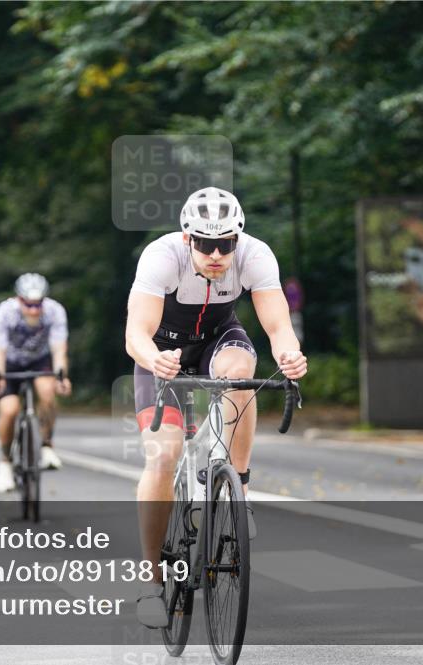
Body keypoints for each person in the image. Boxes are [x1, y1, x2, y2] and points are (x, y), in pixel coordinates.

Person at [124, 186, 308, 627]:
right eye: (205, 244)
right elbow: (136, 334)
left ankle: (238, 486)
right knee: (163, 457)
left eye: (225, 244)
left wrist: (290, 355)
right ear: (187, 238)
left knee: (242, 372)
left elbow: (278, 323)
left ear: (237, 239)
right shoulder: (161, 256)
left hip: (218, 341)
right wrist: (155, 360)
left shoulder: (255, 255)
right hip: (163, 353)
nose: (215, 254)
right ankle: (150, 583)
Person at [0, 273, 71, 493]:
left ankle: (46, 444)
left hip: (39, 360)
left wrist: (62, 376)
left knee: (47, 391)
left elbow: (59, 348)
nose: (34, 310)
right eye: (28, 305)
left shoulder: (54, 311)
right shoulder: (4, 313)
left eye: (38, 304)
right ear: (18, 299)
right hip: (11, 363)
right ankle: (5, 462)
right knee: (9, 410)